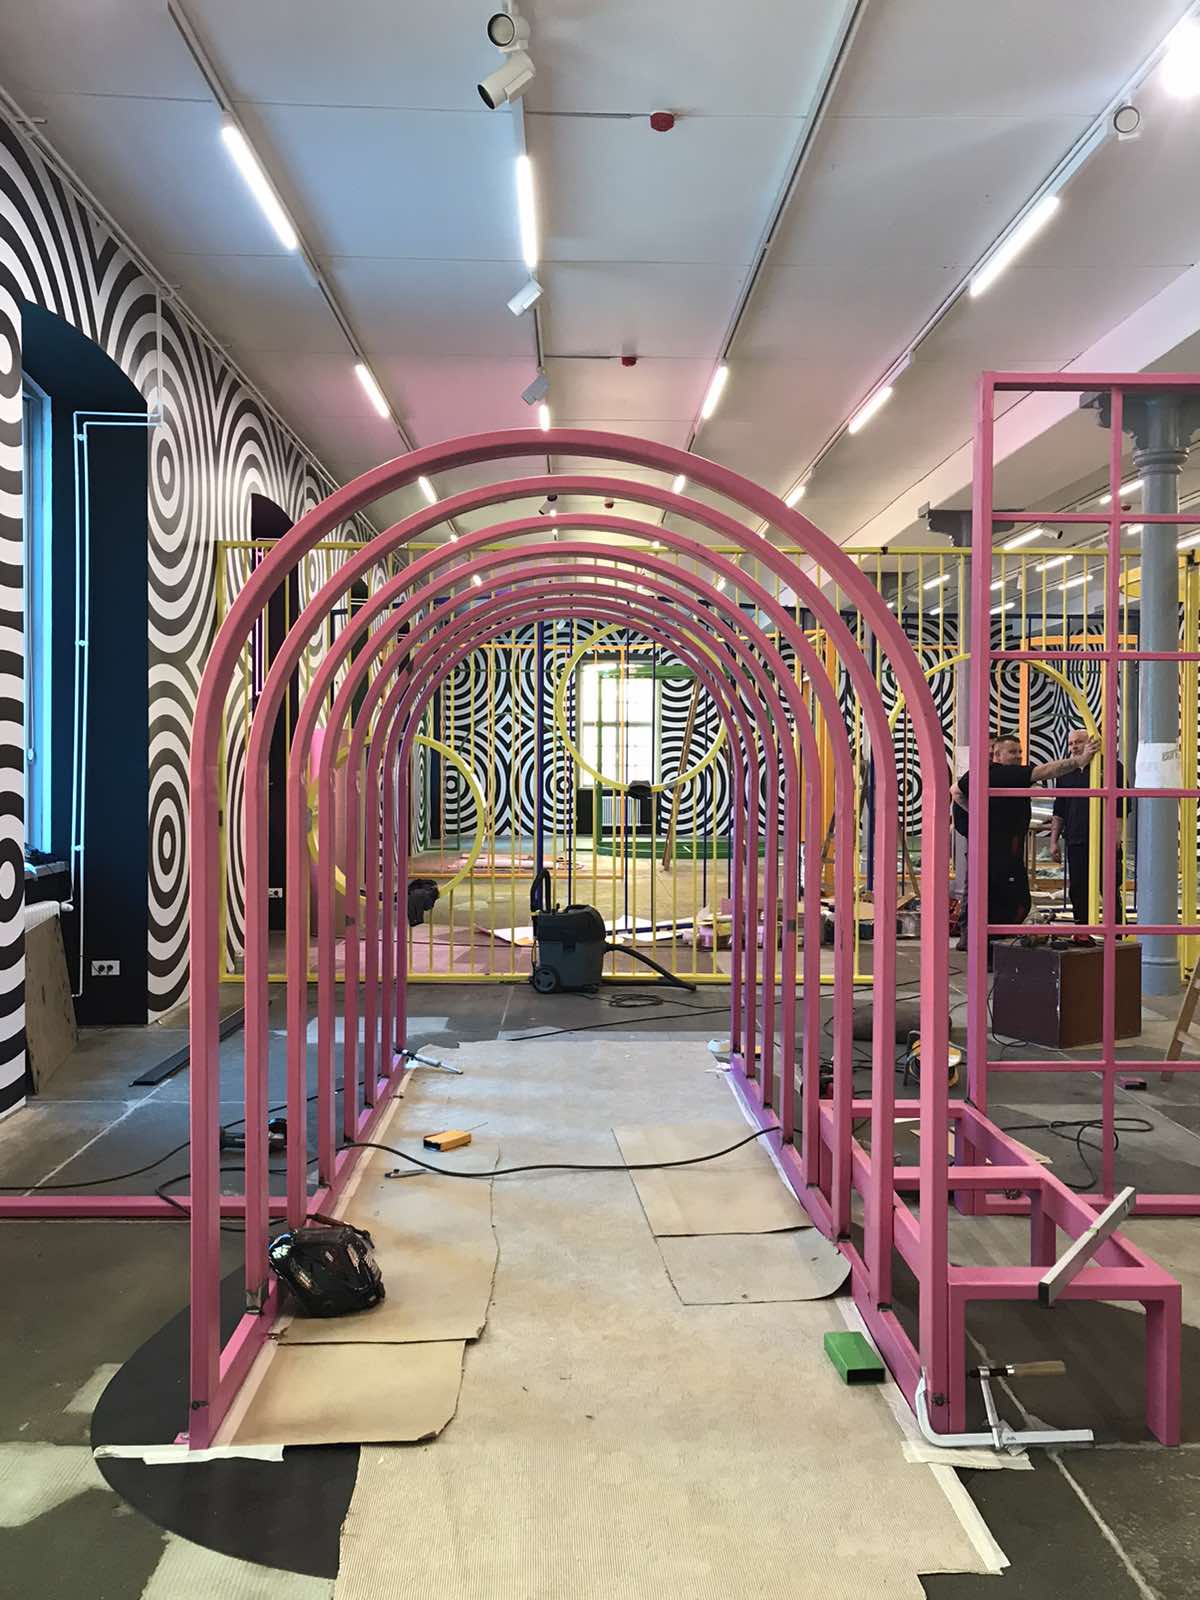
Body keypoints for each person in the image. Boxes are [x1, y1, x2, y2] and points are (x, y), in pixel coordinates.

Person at [952, 731, 1101, 946]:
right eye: (1012, 752)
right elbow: (1045, 771)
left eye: (1020, 751)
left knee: (985, 897)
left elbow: (956, 791)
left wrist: (980, 816)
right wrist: (1079, 760)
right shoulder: (1003, 773)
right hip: (1002, 855)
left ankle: (976, 942)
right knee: (1014, 902)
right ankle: (987, 943)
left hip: (994, 850)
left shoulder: (982, 774)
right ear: (997, 755)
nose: (1018, 756)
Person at [1049, 727, 1125, 926]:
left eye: (1079, 742)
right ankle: (1081, 930)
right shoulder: (1066, 771)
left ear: (1091, 742)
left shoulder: (1112, 767)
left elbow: (1120, 806)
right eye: (1071, 743)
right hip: (1076, 839)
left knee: (1108, 887)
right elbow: (1059, 808)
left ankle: (1117, 933)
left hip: (1104, 839)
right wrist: (1053, 841)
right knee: (1078, 888)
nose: (1074, 747)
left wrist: (1116, 838)